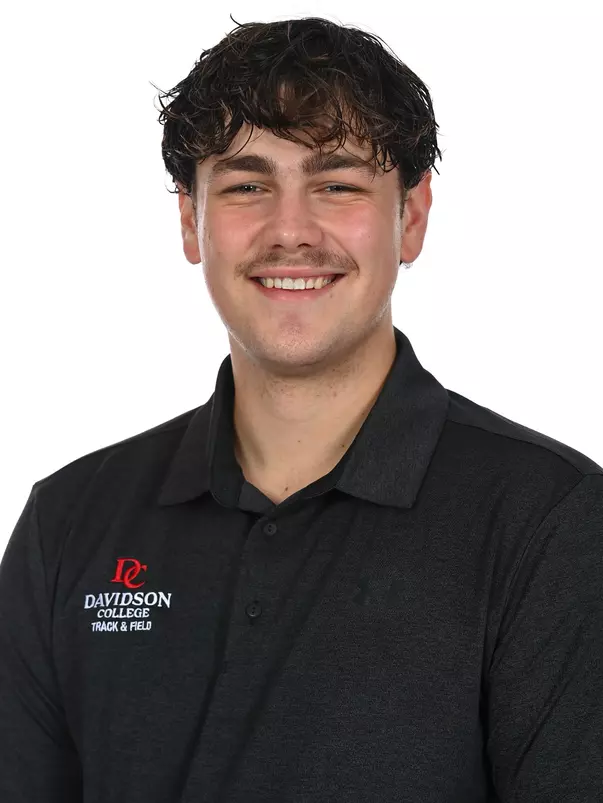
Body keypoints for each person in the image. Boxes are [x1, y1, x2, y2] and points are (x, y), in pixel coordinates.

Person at [1, 14, 602, 803]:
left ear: (410, 218)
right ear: (191, 220)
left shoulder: (548, 519)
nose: (290, 230)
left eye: (337, 184)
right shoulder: (69, 521)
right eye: (248, 185)